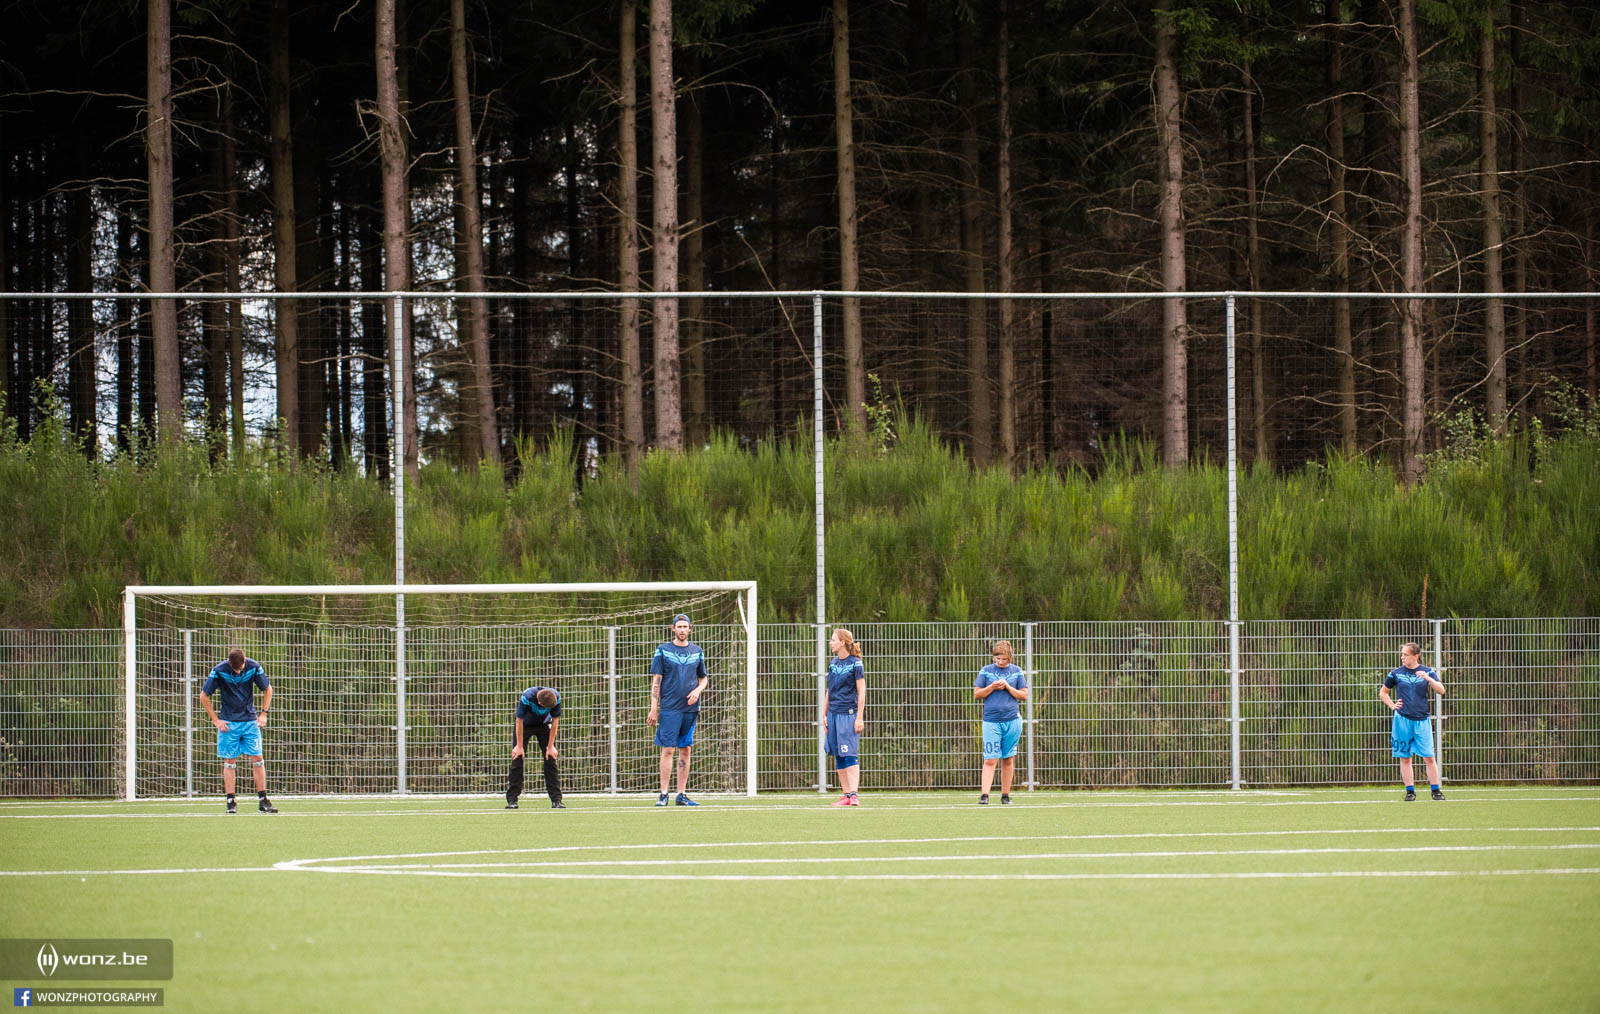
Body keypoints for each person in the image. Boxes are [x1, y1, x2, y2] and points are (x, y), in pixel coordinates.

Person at [199, 647, 278, 814]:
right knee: (230, 762)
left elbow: (268, 689)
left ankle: (263, 800)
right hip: (229, 724)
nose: (237, 671)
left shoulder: (254, 667)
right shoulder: (219, 671)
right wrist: (215, 720)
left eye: (240, 669)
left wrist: (264, 713)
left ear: (244, 662)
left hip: (250, 722)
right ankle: (231, 801)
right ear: (229, 663)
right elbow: (204, 695)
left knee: (257, 758)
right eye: (234, 669)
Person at [648, 613, 708, 806]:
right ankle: (663, 794)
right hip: (669, 709)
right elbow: (656, 680)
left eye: (685, 626)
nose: (682, 630)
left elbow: (703, 678)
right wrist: (653, 708)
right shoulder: (663, 650)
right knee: (668, 750)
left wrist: (698, 691)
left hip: (690, 710)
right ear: (673, 628)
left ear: (690, 629)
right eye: (679, 626)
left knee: (686, 749)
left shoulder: (697, 651)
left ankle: (681, 794)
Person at [1380, 641, 1447, 801]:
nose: (1402, 657)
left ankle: (1436, 791)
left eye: (1405, 654)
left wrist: (1429, 679)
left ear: (1415, 656)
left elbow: (1441, 690)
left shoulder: (1427, 671)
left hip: (1422, 720)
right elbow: (1383, 693)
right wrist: (1393, 706)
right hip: (1402, 720)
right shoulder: (1395, 673)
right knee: (1405, 757)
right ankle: (1410, 791)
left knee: (1429, 757)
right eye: (1402, 654)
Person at [974, 639, 1028, 805]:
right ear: (993, 658)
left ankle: (1005, 795)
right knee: (990, 759)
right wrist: (992, 687)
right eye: (998, 659)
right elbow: (977, 694)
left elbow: (1024, 695)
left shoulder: (1017, 672)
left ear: (1010, 657)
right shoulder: (986, 671)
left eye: (1004, 659)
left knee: (1008, 759)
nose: (1000, 662)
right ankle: (985, 795)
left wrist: (1008, 688)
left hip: (1012, 721)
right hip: (991, 721)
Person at [824, 628, 867, 807]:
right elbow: (830, 690)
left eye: (833, 640)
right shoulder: (833, 664)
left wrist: (859, 717)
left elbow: (861, 690)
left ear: (842, 642)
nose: (830, 642)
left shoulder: (856, 664)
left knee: (849, 753)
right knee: (838, 754)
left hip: (847, 715)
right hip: (833, 714)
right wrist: (824, 713)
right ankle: (846, 795)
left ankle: (854, 794)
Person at [506, 685, 564, 809]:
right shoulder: (527, 696)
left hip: (544, 726)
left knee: (550, 759)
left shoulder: (556, 698)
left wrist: (550, 746)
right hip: (525, 726)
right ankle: (512, 800)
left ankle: (556, 800)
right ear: (538, 702)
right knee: (517, 759)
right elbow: (519, 720)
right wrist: (519, 746)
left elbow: (554, 722)